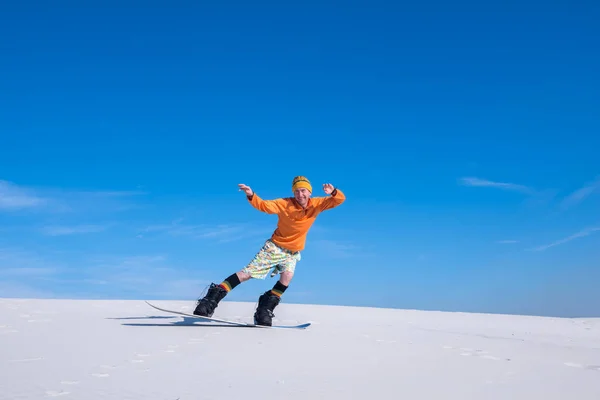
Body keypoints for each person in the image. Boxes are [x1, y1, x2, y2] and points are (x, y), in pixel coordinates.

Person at [193, 175, 346, 326]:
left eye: (303, 191)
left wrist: (333, 192)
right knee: (246, 274)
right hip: (275, 247)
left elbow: (339, 200)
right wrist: (251, 195)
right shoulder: (285, 203)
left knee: (286, 278)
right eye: (297, 191)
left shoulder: (318, 204)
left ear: (309, 192)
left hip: (292, 252)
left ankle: (264, 311)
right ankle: (209, 302)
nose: (300, 194)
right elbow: (265, 206)